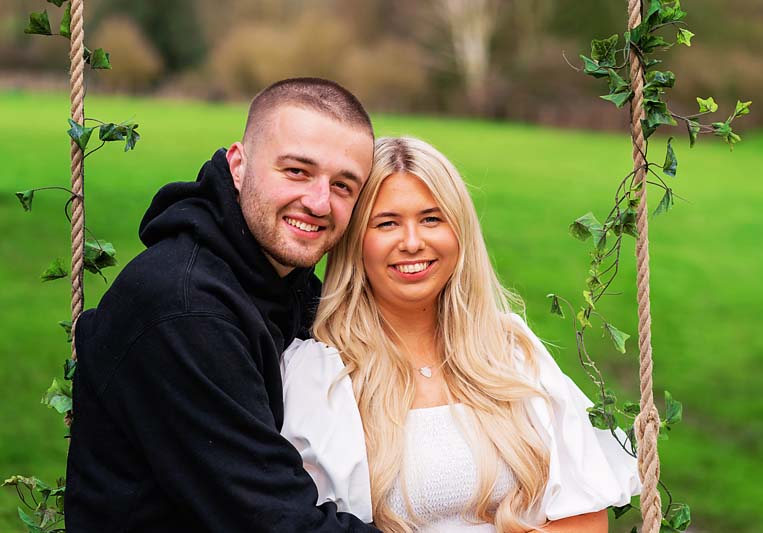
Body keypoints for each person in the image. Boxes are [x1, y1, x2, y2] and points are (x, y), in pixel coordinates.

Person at [280, 137, 642, 532]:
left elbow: (585, 518)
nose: (413, 242)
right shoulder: (317, 375)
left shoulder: (510, 351)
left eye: (432, 219)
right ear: (354, 242)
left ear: (460, 231)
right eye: (387, 223)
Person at [65, 78, 380, 532]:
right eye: (296, 171)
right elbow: (275, 522)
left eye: (344, 185)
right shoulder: (184, 307)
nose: (318, 202)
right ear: (238, 164)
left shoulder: (282, 284)